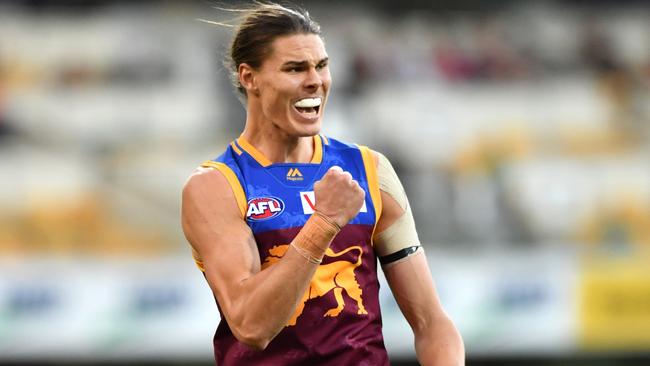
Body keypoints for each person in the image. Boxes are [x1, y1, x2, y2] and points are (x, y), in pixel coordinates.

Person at [181, 3, 464, 365]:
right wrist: (326, 221)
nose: (315, 81)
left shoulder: (369, 170)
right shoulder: (217, 186)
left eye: (322, 65)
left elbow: (431, 323)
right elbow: (251, 326)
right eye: (295, 68)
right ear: (249, 77)